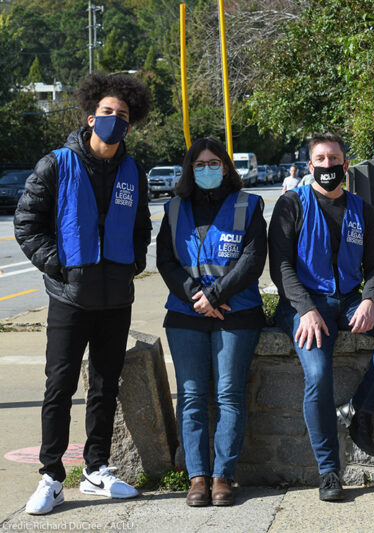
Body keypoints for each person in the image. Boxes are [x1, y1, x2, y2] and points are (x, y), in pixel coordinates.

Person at [15, 72, 152, 514]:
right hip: (70, 298)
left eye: (123, 115)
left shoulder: (134, 171)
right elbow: (26, 224)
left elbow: (141, 226)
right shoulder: (56, 163)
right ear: (91, 115)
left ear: (131, 124)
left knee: (105, 386)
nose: (114, 120)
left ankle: (96, 469)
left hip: (116, 300)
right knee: (59, 386)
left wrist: (133, 262)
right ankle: (52, 476)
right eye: (108, 112)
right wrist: (58, 266)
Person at [269, 132, 374, 501]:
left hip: (350, 300)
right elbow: (281, 267)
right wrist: (304, 310)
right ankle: (328, 472)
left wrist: (370, 300)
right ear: (309, 166)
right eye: (320, 160)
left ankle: (359, 410)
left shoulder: (360, 208)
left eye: (334, 159)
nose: (327, 166)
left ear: (345, 164)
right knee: (318, 375)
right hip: (305, 305)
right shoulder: (292, 204)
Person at [156, 137, 267, 506]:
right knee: (191, 397)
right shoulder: (173, 209)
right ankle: (197, 478)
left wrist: (215, 296)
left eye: (214, 162)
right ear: (190, 169)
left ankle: (223, 477)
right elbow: (166, 262)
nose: (207, 169)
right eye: (199, 164)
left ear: (226, 167)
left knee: (229, 395)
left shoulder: (249, 205)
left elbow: (252, 259)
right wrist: (196, 296)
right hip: (186, 315)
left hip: (237, 312)